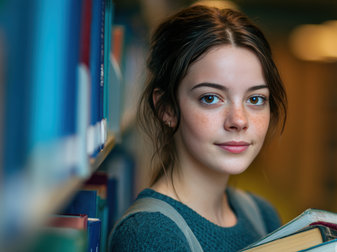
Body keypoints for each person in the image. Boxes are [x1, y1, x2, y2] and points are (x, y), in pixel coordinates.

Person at [109, 4, 287, 252]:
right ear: (166, 109)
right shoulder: (150, 235)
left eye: (255, 99)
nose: (239, 120)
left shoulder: (262, 214)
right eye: (211, 98)